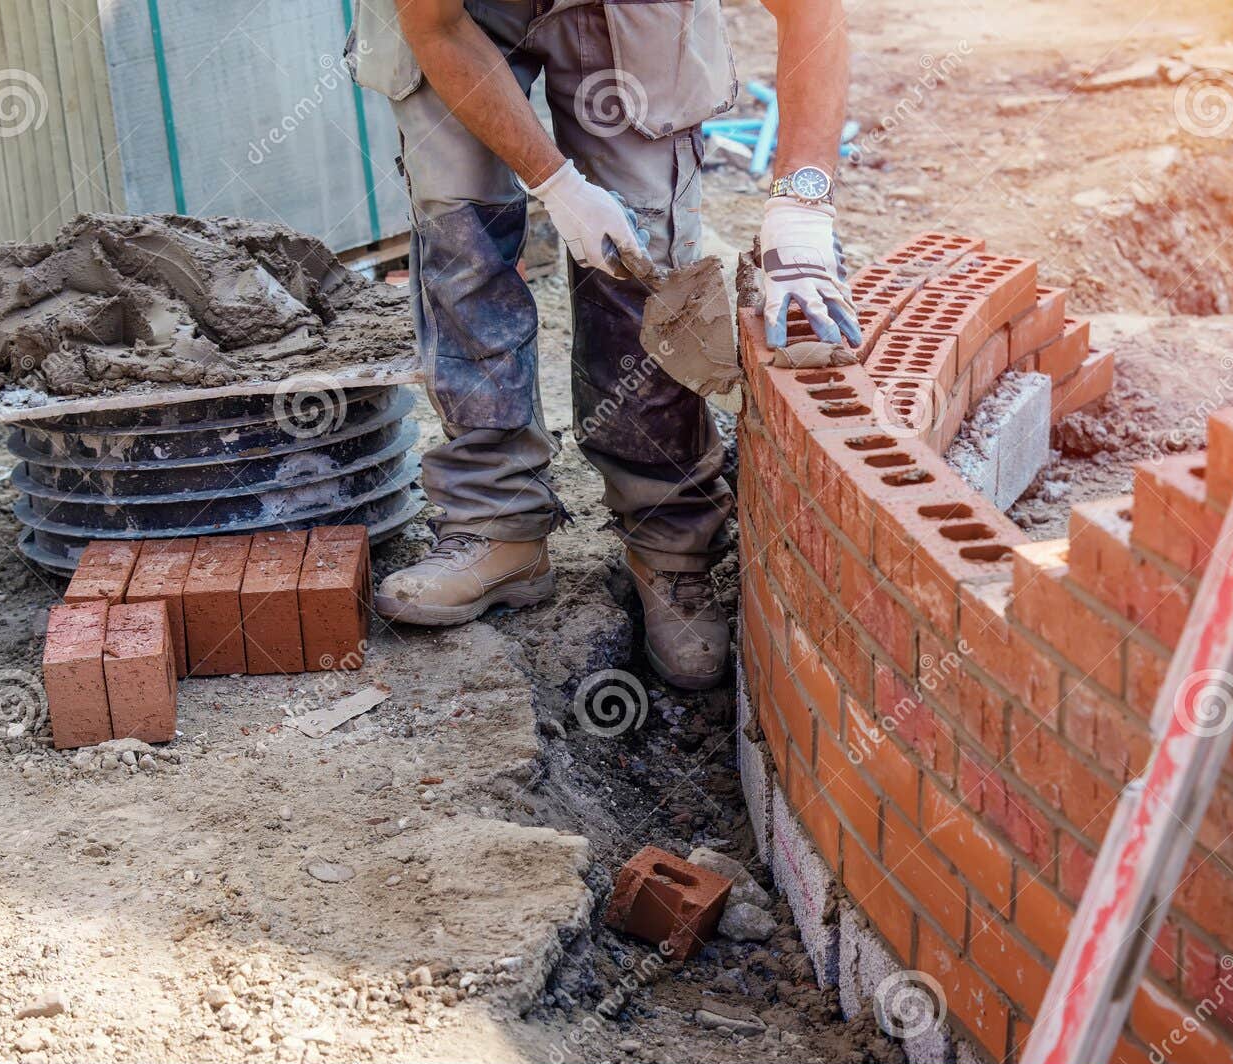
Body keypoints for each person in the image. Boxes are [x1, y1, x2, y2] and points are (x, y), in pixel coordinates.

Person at [345, 0, 860, 690]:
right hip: (460, 15)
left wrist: (802, 203)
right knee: (459, 234)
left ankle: (669, 542)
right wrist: (557, 185)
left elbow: (811, 10)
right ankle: (495, 523)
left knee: (643, 250)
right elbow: (435, 26)